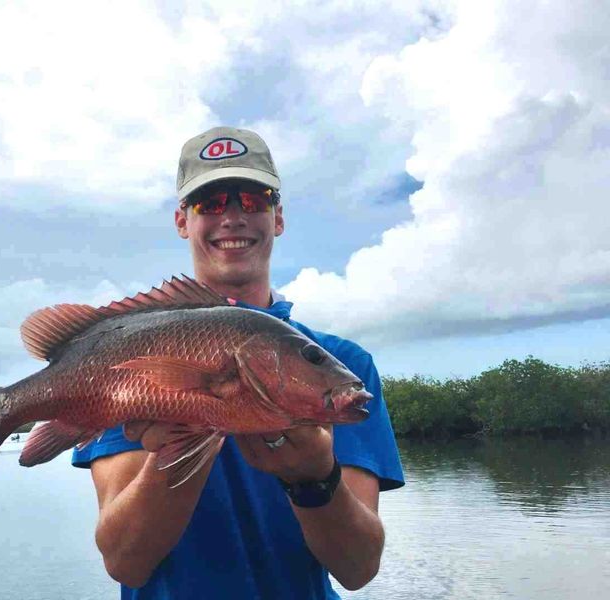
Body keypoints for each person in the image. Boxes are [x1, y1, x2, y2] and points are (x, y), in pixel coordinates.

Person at [72, 126, 404, 599]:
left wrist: (313, 479)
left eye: (252, 200)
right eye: (209, 204)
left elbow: (358, 569)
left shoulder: (348, 366)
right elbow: (126, 561)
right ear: (182, 221)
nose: (232, 218)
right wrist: (178, 451)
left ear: (278, 217)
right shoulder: (129, 349)